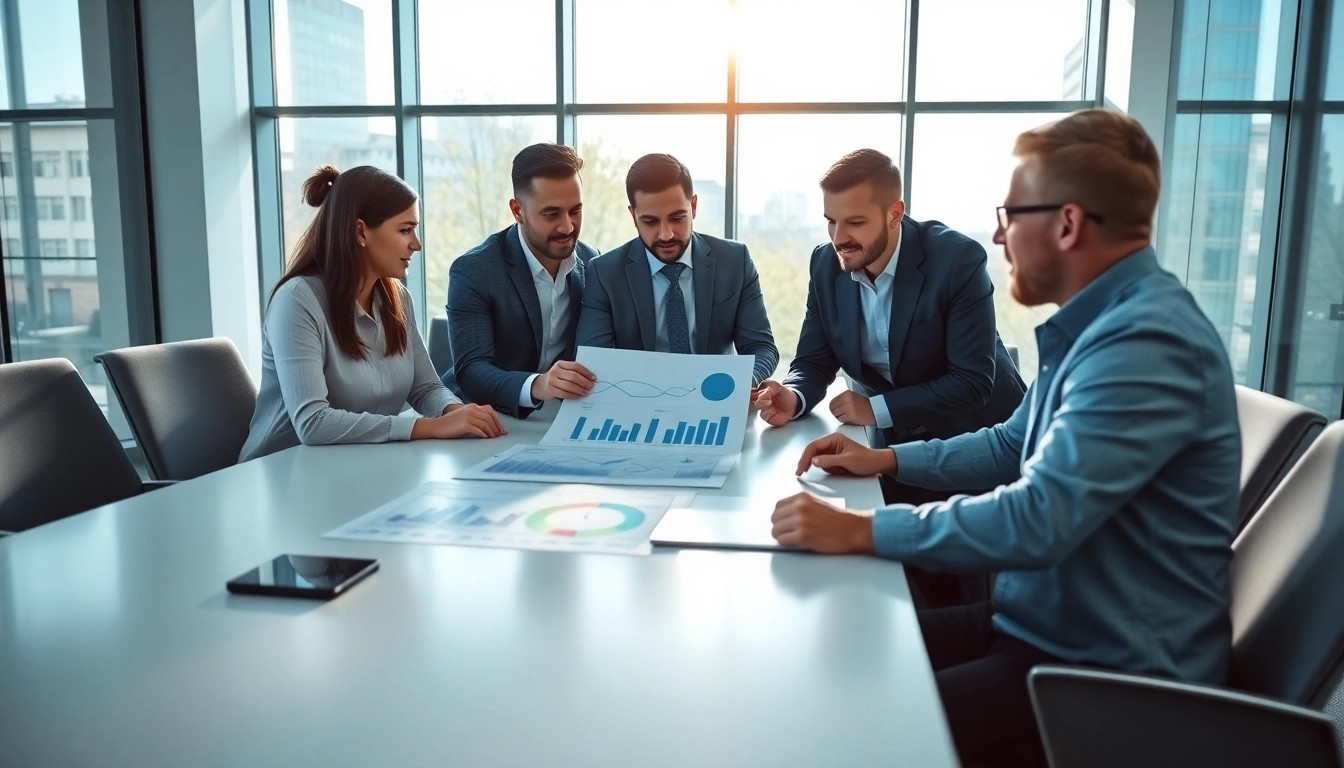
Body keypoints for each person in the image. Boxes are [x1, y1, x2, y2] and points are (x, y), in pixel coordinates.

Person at [770, 110, 1241, 767]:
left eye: (1011, 214)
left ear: (1068, 224)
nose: (997, 235)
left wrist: (865, 532)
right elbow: (1004, 446)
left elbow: (1038, 517)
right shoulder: (1098, 329)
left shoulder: (1144, 345)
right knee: (826, 660)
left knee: (852, 731)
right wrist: (883, 457)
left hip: (1105, 674)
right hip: (1034, 621)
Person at [755, 148, 1026, 608]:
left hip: (975, 442)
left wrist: (875, 408)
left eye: (855, 223)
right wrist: (795, 395)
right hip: (890, 450)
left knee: (963, 602)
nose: (839, 237)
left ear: (895, 213)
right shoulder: (826, 264)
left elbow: (973, 380)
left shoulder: (956, 260)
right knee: (892, 591)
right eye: (830, 221)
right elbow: (814, 358)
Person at [240, 165, 504, 462]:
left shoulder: (397, 299)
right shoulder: (297, 299)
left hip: (355, 468)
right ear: (361, 231)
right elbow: (313, 423)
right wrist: (427, 427)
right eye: (405, 230)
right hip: (280, 474)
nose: (416, 244)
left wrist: (457, 413)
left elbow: (426, 387)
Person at [575, 153, 779, 386]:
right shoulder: (605, 273)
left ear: (693, 206)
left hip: (716, 395)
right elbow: (592, 363)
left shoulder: (734, 261)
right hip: (639, 401)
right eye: (650, 221)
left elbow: (761, 347)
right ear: (633, 215)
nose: (666, 234)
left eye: (677, 218)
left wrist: (742, 383)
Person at [443, 143, 601, 419]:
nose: (567, 227)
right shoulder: (474, 270)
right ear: (518, 211)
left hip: (555, 417)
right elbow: (472, 370)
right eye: (551, 214)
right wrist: (539, 385)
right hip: (480, 416)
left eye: (575, 211)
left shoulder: (593, 263)